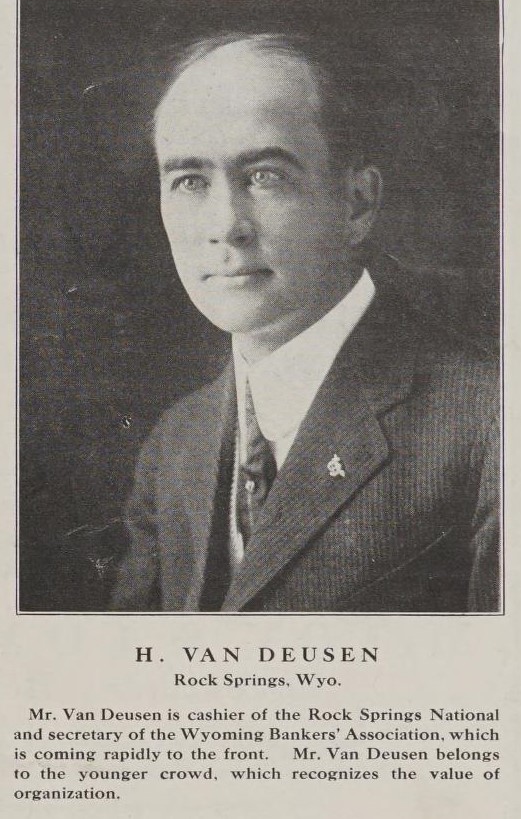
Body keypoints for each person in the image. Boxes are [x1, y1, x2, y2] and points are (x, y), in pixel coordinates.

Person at [110, 32, 500, 613]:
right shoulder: (176, 442)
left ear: (357, 203)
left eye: (265, 176)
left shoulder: (489, 422)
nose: (226, 225)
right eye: (190, 181)